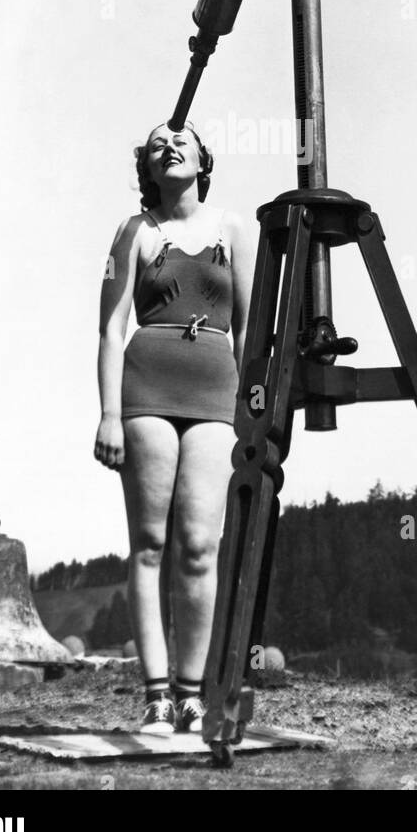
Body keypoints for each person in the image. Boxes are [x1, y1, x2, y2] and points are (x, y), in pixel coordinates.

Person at [93, 120, 254, 735]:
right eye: (158, 143)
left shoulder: (234, 228)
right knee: (151, 542)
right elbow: (110, 328)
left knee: (199, 544)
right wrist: (109, 411)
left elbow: (246, 325)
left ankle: (193, 693)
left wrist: (249, 405)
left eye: (182, 138)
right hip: (146, 390)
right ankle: (156, 695)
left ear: (203, 159)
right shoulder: (133, 232)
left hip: (217, 391)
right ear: (149, 168)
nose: (171, 145)